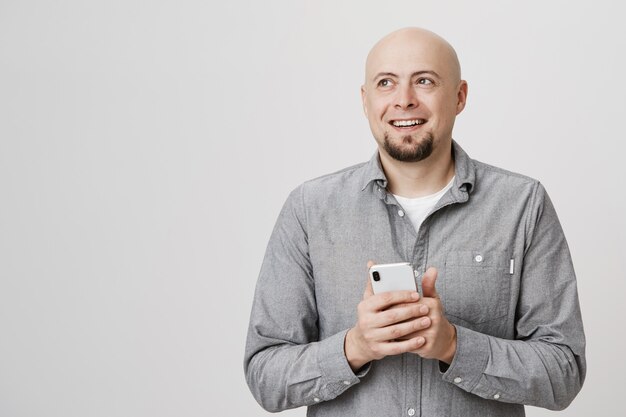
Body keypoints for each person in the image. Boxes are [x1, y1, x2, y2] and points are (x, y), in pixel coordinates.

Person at [244, 27, 586, 416]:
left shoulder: (523, 205)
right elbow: (264, 377)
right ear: (365, 99)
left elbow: (564, 374)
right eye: (386, 83)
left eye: (424, 81)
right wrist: (355, 347)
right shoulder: (309, 209)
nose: (403, 101)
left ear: (459, 97)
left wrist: (454, 346)